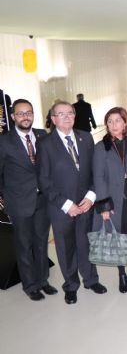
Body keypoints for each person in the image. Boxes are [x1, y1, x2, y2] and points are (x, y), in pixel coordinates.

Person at [37, 101, 107, 304]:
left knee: (86, 243)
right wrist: (67, 205)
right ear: (53, 119)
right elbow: (44, 180)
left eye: (70, 113)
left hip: (85, 204)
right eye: (61, 114)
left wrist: (91, 197)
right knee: (66, 248)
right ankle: (71, 285)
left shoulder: (85, 137)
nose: (67, 117)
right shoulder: (45, 144)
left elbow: (95, 171)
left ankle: (91, 279)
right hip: (61, 208)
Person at [0, 99, 57, 301]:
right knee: (23, 245)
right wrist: (4, 198)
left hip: (43, 201)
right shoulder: (4, 141)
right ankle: (30, 285)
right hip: (19, 202)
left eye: (29, 112)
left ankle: (43, 280)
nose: (25, 116)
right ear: (13, 116)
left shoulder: (43, 136)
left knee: (41, 242)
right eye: (21, 113)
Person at [92, 107, 127, 293]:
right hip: (113, 199)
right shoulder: (101, 147)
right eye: (110, 121)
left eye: (118, 120)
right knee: (119, 238)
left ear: (125, 123)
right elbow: (98, 177)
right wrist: (104, 205)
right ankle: (122, 274)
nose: (114, 125)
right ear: (106, 125)